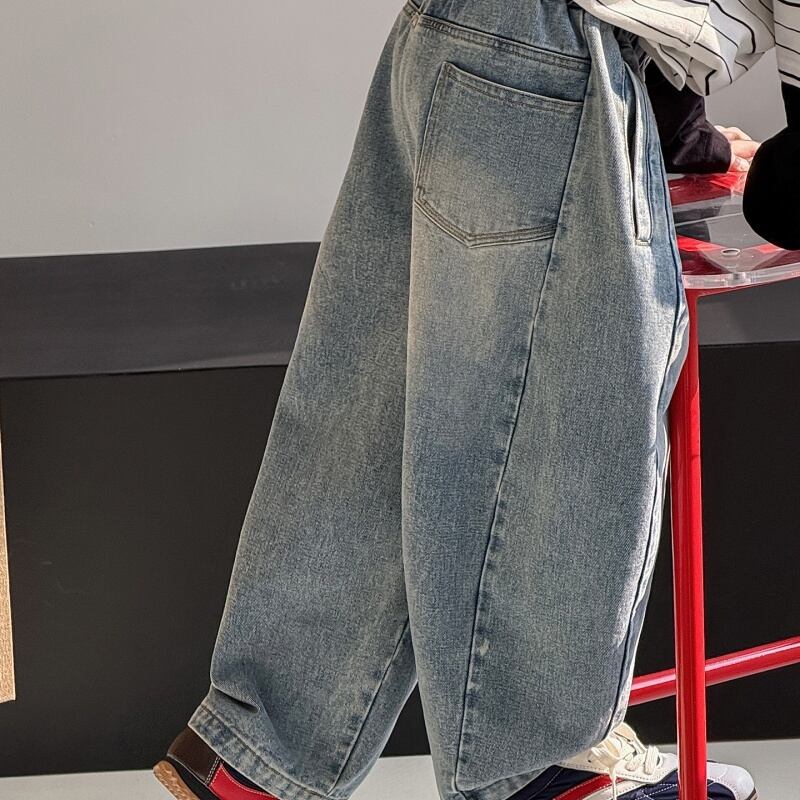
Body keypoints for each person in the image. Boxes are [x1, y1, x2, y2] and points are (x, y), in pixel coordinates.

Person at [151, 2, 770, 800]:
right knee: (560, 426)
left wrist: (674, 127)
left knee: (380, 409)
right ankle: (538, 768)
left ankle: (253, 754)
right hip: (565, 66)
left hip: (459, 28)